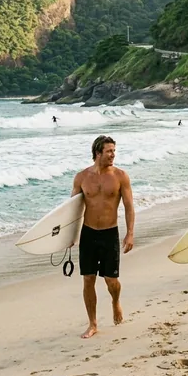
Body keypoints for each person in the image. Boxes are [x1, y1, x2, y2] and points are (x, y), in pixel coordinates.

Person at [71, 135, 135, 339]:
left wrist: (130, 233)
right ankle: (93, 323)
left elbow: (129, 207)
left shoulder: (120, 176)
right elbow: (72, 210)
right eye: (109, 151)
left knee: (111, 280)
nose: (113, 155)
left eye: (114, 151)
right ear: (98, 153)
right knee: (88, 279)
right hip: (88, 233)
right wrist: (69, 236)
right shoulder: (81, 178)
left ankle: (115, 301)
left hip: (110, 233)